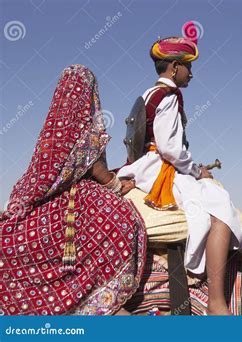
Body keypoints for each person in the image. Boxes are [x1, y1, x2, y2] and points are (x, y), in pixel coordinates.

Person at [0, 65, 146, 315]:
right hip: (84, 201)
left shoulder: (50, 134)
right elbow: (98, 172)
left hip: (44, 210)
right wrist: (116, 185)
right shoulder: (88, 132)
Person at [116, 35, 242, 315]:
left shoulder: (148, 94)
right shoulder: (170, 96)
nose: (191, 73)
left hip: (143, 165)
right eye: (187, 67)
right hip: (160, 168)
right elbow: (170, 148)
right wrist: (199, 170)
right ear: (174, 67)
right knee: (219, 201)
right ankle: (216, 302)